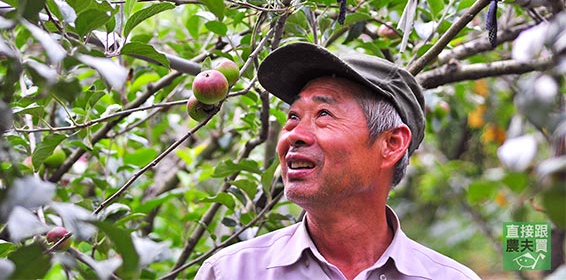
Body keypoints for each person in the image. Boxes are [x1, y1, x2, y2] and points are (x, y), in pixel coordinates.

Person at [195, 42, 482, 280]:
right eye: (293, 116)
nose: (294, 135)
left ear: (391, 144)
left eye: (323, 114)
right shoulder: (232, 272)